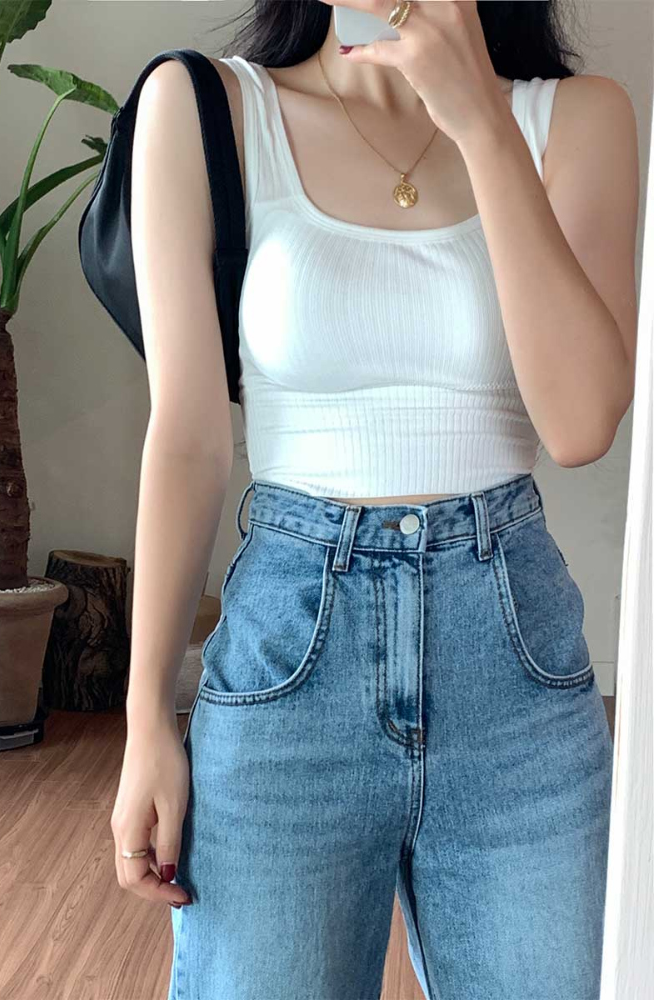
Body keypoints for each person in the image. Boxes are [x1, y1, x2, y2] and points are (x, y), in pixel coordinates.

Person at [110, 2, 639, 997]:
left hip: (514, 677)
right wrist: (145, 720)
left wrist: (479, 122)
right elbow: (185, 438)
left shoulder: (577, 118)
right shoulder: (207, 105)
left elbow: (578, 425)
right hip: (288, 661)